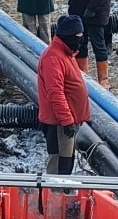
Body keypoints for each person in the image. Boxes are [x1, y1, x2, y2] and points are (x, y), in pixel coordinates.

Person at [37, 15, 92, 175]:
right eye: (78, 37)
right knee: (60, 162)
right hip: (59, 123)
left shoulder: (66, 53)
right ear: (69, 36)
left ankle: (61, 191)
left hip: (67, 121)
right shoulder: (54, 58)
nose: (80, 41)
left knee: (67, 161)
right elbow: (55, 93)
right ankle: (54, 194)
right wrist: (67, 121)